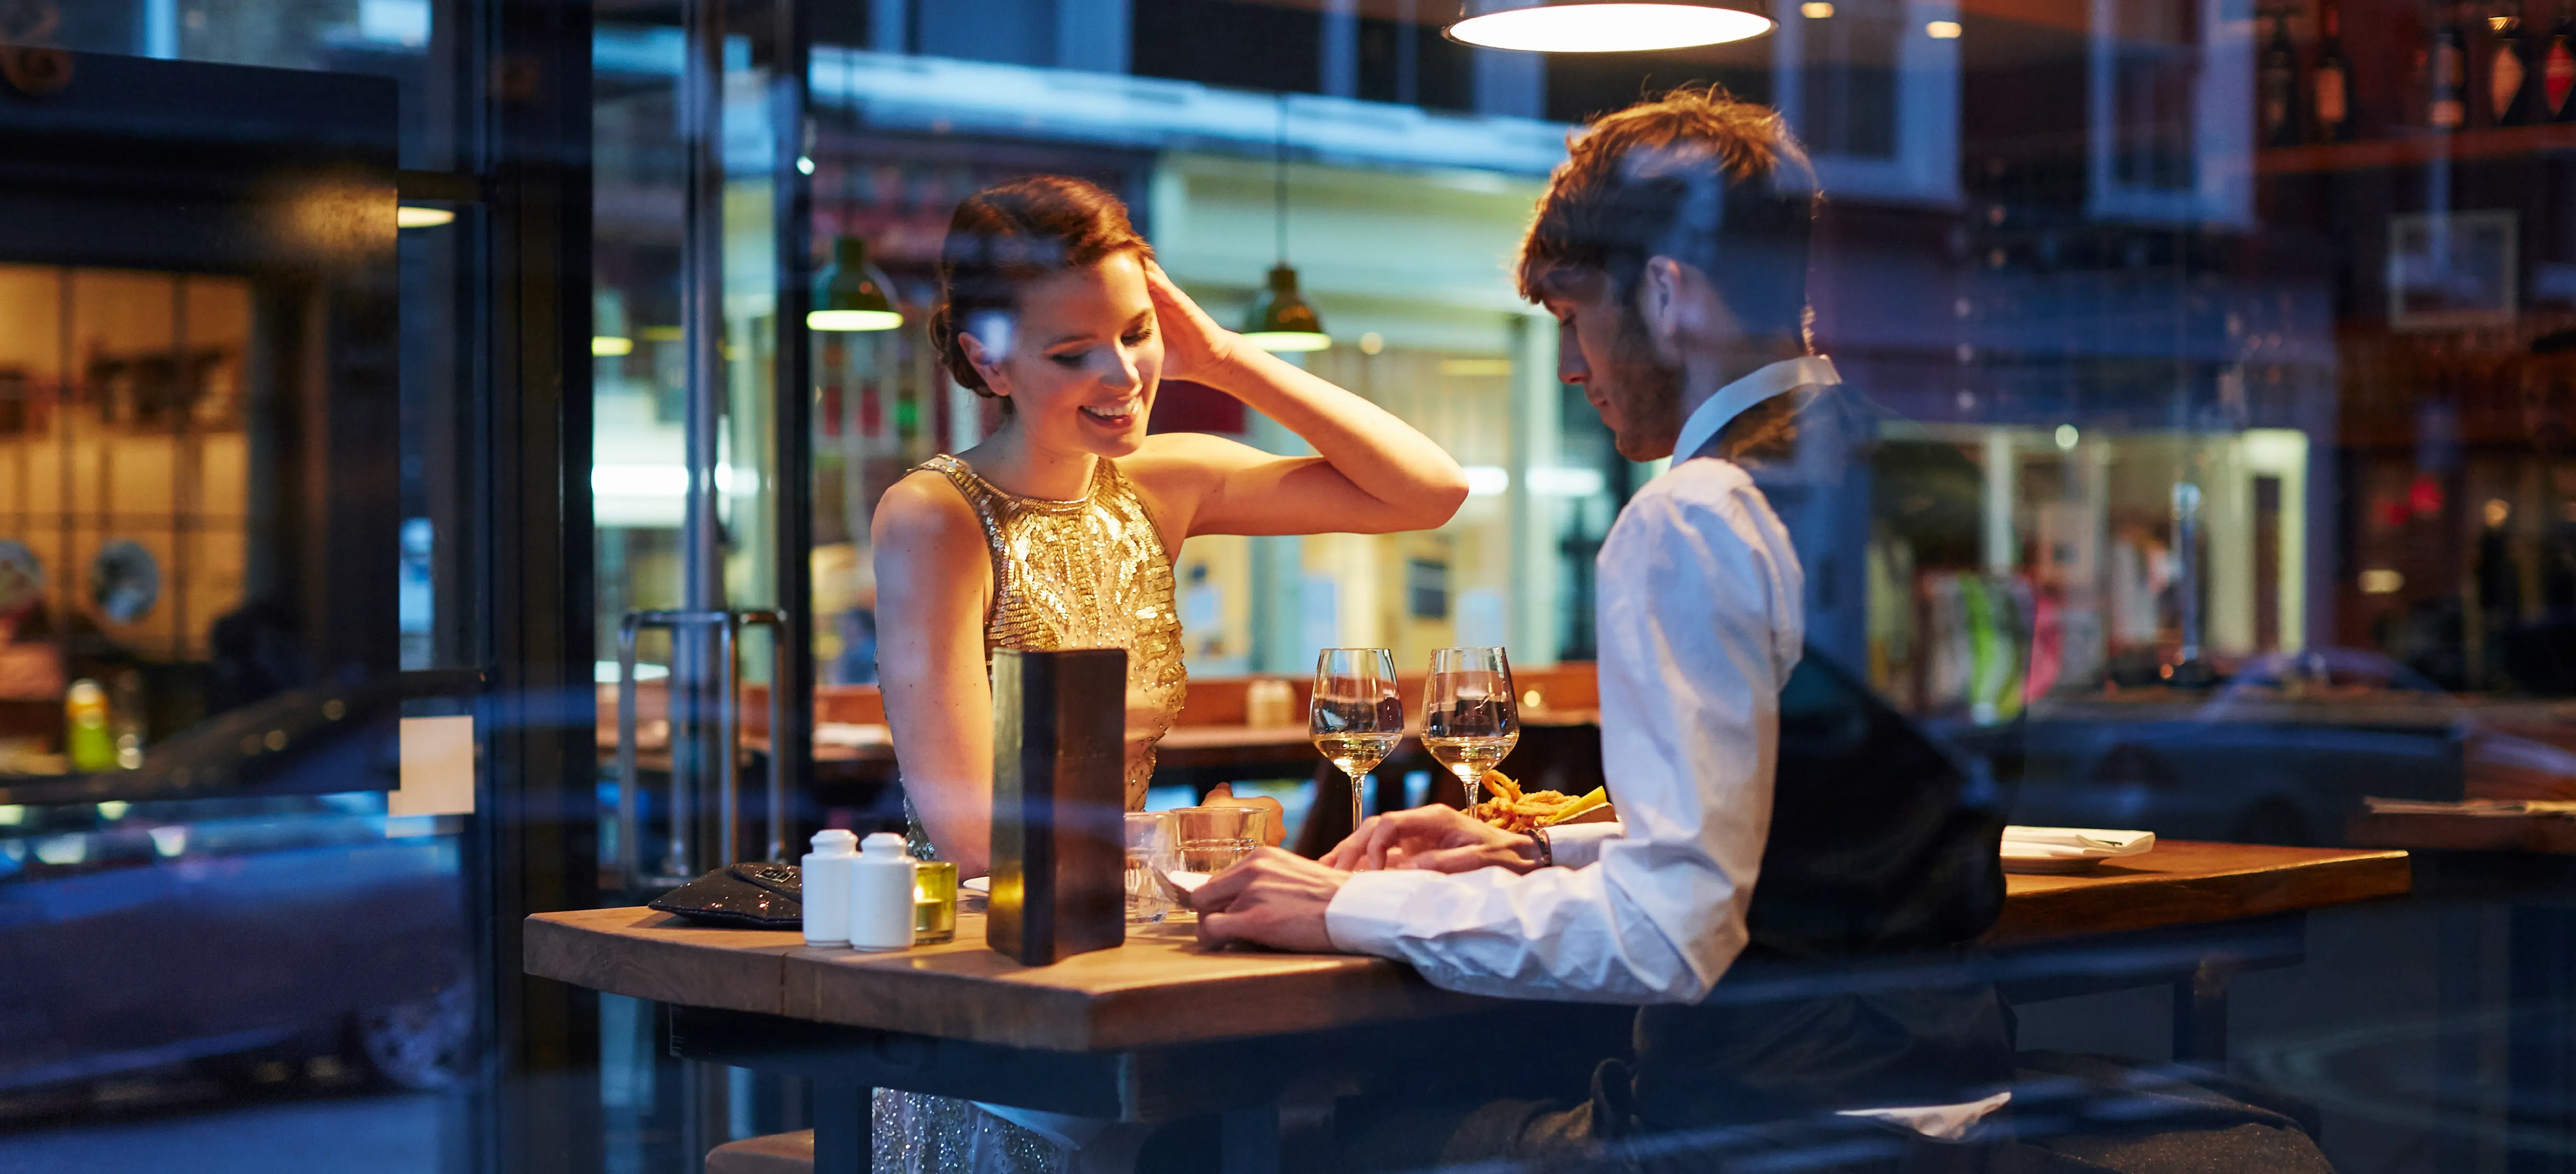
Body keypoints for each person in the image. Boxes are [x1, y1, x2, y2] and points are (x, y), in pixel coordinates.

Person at [1187, 87, 2335, 1174]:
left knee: (1353, 1136)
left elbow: (1667, 936)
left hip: (1761, 1132)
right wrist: (1544, 848)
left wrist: (1347, 905)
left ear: (1671, 292)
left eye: (1577, 317)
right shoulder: (1940, 480)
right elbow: (1848, 819)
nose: (1575, 364)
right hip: (1954, 1101)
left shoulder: (1693, 514)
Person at [868, 174, 1467, 1172]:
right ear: (987, 359)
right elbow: (976, 830)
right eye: (1073, 352)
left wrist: (1227, 358)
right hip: (997, 987)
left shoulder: (1156, 484)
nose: (1123, 374)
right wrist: (1208, 844)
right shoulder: (936, 515)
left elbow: (1429, 489)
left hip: (1136, 957)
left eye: (1138, 333)